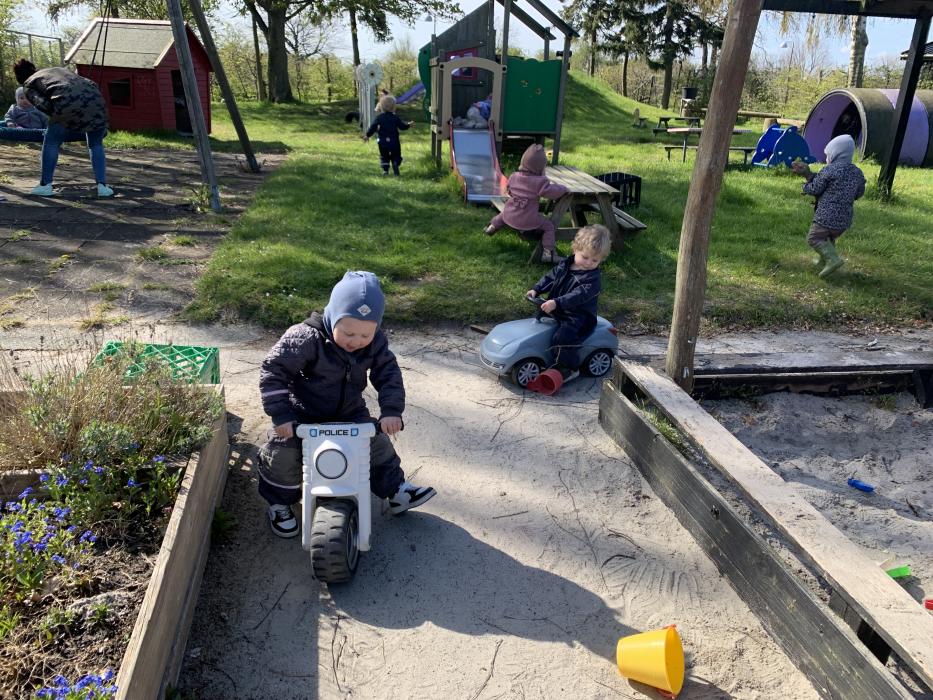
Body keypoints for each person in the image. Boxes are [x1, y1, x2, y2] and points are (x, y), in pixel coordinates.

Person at [257, 270, 436, 538]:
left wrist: (391, 411)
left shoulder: (375, 343)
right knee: (282, 452)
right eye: (348, 332)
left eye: (365, 335)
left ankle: (396, 490)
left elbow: (388, 373)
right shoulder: (305, 338)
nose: (356, 342)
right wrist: (281, 415)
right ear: (333, 316)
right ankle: (280, 503)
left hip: (349, 411)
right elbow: (273, 371)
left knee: (375, 443)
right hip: (302, 412)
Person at [12, 58, 113, 198]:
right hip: (96, 101)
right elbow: (90, 83)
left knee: (51, 142)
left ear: (20, 78)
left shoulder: (29, 84)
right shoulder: (56, 70)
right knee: (96, 144)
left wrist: (58, 121)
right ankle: (102, 187)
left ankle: (45, 185)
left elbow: (43, 105)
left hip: (66, 104)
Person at [526, 224, 611, 381]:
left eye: (595, 260)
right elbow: (551, 277)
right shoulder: (565, 264)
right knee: (538, 324)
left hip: (578, 315)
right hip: (557, 307)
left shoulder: (592, 279)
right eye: (585, 257)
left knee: (563, 337)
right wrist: (537, 289)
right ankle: (543, 354)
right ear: (575, 249)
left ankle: (569, 367)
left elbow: (577, 296)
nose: (588, 263)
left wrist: (556, 303)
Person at [791, 134, 865, 278]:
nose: (826, 158)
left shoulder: (829, 170)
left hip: (826, 216)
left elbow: (815, 188)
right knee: (828, 238)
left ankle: (832, 259)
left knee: (814, 238)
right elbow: (859, 193)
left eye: (827, 155)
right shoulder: (857, 172)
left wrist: (804, 187)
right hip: (844, 218)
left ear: (835, 154)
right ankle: (824, 260)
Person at [485, 144, 568, 263]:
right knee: (549, 226)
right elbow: (552, 192)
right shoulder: (539, 182)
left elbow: (509, 190)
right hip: (527, 220)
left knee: (504, 215)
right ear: (540, 167)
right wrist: (563, 188)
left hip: (511, 214)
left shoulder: (514, 176)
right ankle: (548, 253)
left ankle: (491, 227)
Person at [364, 94, 413, 176]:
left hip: (382, 141)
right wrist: (408, 125)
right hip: (394, 141)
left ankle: (385, 170)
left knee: (384, 156)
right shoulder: (395, 118)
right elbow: (402, 126)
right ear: (394, 107)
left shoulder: (379, 118)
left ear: (381, 107)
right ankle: (395, 163)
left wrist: (367, 135)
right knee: (396, 155)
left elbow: (373, 127)